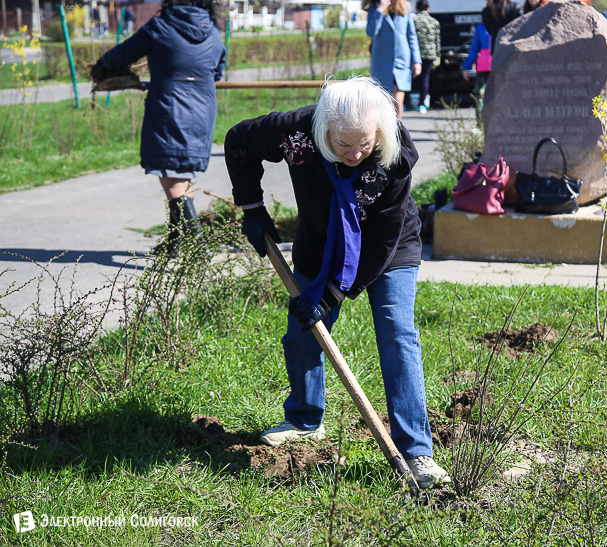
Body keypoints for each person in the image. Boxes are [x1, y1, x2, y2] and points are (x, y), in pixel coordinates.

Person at [224, 76, 451, 490]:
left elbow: (382, 237)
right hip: (322, 241)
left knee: (396, 331)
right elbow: (238, 141)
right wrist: (251, 206)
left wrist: (331, 295)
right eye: (343, 144)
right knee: (302, 333)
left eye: (362, 143)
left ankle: (417, 451)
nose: (355, 153)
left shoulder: (393, 151)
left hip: (390, 246)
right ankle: (305, 419)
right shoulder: (295, 132)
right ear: (322, 128)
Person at [93, 0, 226, 253]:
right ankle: (177, 242)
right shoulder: (212, 32)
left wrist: (101, 67)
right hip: (203, 109)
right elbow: (217, 71)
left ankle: (196, 245)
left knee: (171, 177)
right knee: (181, 175)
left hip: (169, 107)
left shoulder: (161, 26)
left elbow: (121, 55)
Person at [364, 0, 422, 121]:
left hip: (401, 62)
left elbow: (411, 35)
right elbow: (371, 32)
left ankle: (398, 133)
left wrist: (417, 61)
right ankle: (386, 132)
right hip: (382, 63)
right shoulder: (374, 7)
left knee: (397, 100)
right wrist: (380, 10)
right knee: (383, 101)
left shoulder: (405, 7)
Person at [412, 0, 440, 113]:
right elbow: (437, 41)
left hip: (415, 54)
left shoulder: (413, 20)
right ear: (428, 9)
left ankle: (406, 102)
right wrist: (438, 56)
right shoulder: (434, 22)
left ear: (417, 9)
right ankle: (422, 103)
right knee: (425, 78)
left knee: (411, 77)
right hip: (430, 53)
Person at [462, 22, 492, 123]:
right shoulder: (481, 27)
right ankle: (480, 124)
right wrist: (467, 67)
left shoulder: (483, 27)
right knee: (480, 96)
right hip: (484, 66)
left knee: (492, 96)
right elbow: (474, 48)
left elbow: (474, 49)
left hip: (495, 65)